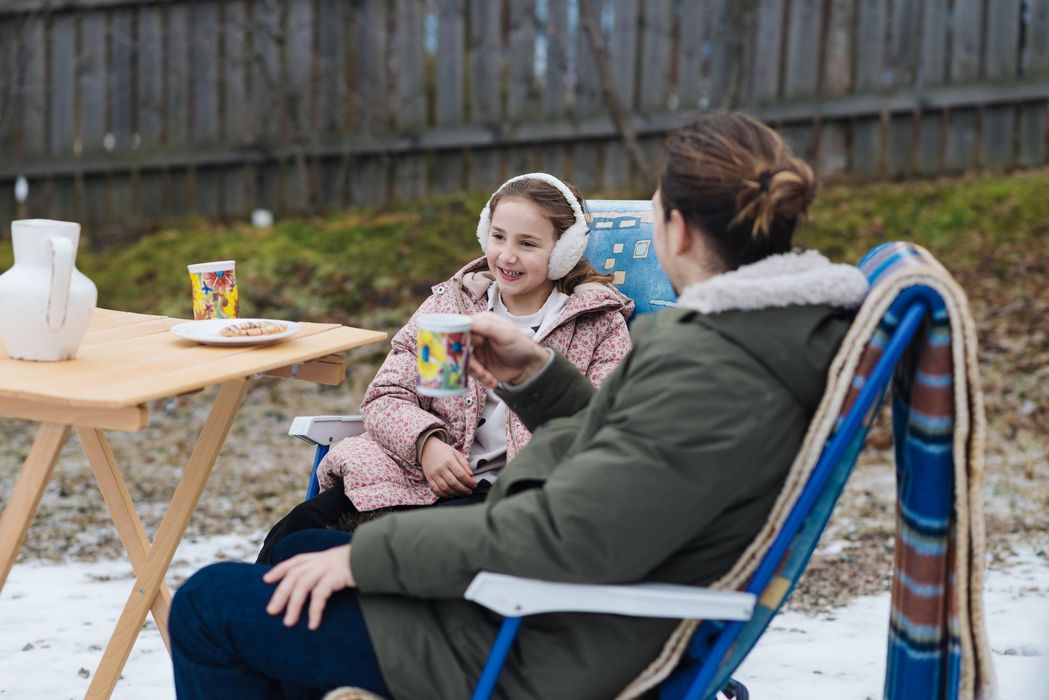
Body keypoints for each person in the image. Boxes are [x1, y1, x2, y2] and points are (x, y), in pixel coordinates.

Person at [170, 113, 870, 699]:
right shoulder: (746, 340)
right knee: (304, 555)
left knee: (210, 605)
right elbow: (620, 457)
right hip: (549, 600)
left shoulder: (714, 367)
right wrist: (538, 375)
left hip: (538, 638)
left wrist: (368, 557)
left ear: (679, 231)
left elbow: (559, 533)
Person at [255, 173, 633, 564]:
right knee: (298, 527)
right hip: (413, 474)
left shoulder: (597, 325)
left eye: (527, 244)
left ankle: (328, 607)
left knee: (347, 556)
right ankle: (248, 616)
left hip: (500, 496)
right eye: (498, 236)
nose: (506, 255)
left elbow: (599, 429)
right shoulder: (452, 305)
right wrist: (426, 444)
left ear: (563, 252)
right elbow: (387, 395)